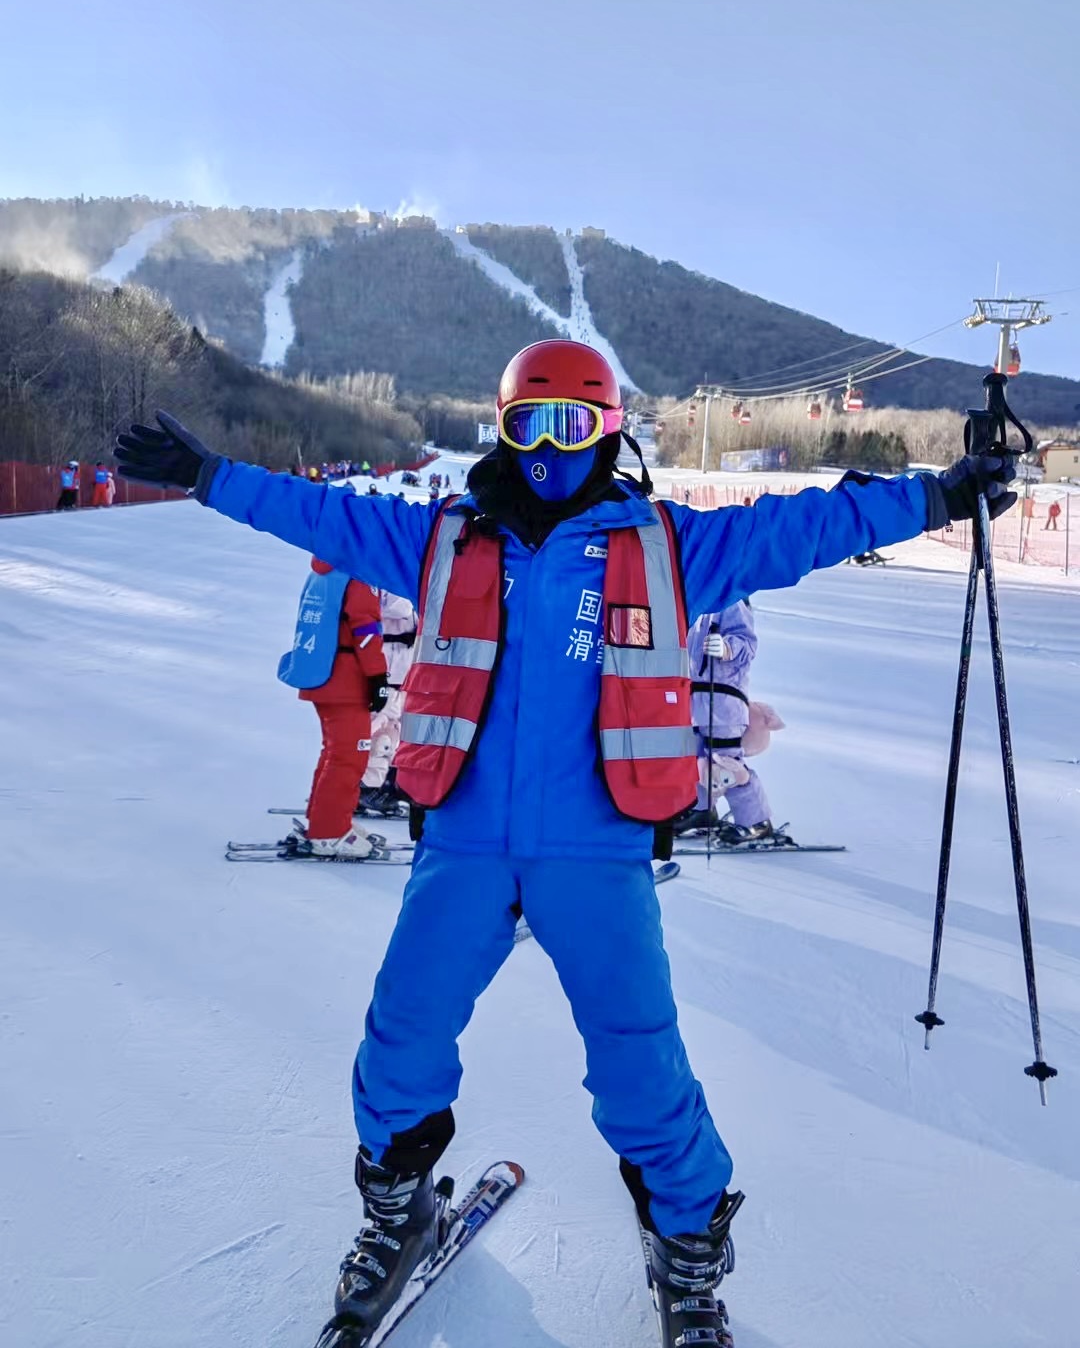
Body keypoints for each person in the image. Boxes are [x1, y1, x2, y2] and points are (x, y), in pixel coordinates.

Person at [114, 341, 1016, 1348]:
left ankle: (686, 1247)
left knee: (641, 1068)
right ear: (502, 430)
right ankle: (399, 1212)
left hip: (597, 854)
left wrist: (939, 497)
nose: (549, 450)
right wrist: (209, 475)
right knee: (401, 1036)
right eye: (528, 425)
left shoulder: (669, 548)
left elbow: (804, 525)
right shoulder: (445, 540)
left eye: (572, 426)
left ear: (610, 433)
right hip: (466, 846)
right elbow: (322, 515)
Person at [277, 557, 389, 859]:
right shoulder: (358, 574)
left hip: (323, 675)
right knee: (349, 757)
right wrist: (378, 676)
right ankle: (329, 832)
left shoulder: (322, 572)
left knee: (334, 753)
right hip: (346, 680)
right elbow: (366, 630)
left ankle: (326, 822)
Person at [674, 602, 784, 842]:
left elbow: (748, 644)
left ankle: (756, 821)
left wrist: (727, 647)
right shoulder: (697, 601)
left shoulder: (732, 601)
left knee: (726, 764)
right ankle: (701, 811)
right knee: (697, 760)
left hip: (724, 702)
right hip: (694, 701)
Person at [358, 590, 418, 817]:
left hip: (401, 671)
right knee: (379, 728)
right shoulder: (388, 581)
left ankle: (380, 784)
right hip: (386, 668)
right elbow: (398, 607)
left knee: (392, 729)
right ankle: (366, 787)